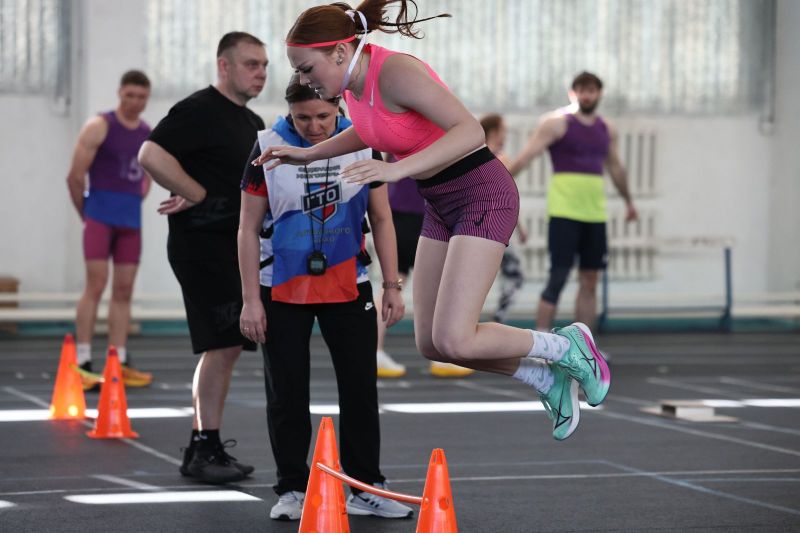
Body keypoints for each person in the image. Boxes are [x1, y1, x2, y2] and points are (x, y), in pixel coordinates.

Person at [251, 1, 611, 442]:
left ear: (341, 52)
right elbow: (372, 130)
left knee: (457, 339)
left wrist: (396, 170)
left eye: (307, 69)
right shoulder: (353, 89)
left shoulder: (394, 72)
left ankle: (567, 346)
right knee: (432, 343)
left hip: (481, 194)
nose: (304, 80)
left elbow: (470, 131)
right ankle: (544, 377)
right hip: (439, 203)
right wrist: (308, 154)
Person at [239, 77, 413, 521]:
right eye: (303, 118)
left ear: (339, 106)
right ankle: (292, 489)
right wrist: (250, 300)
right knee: (287, 392)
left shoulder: (363, 143)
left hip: (348, 282)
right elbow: (246, 229)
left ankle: (366, 487)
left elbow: (382, 218)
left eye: (323, 116)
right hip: (281, 285)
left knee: (360, 388)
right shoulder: (267, 148)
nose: (314, 126)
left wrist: (392, 285)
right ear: (289, 112)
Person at [137, 32, 268, 484]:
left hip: (234, 248)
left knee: (228, 345)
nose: (261, 73)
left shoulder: (251, 121)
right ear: (224, 66)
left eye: (264, 66)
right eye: (251, 64)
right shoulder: (199, 110)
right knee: (223, 343)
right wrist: (193, 191)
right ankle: (202, 446)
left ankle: (204, 444)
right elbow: (150, 153)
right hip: (201, 248)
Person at [507, 71, 638, 333]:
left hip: (595, 214)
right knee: (558, 276)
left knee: (590, 280)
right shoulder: (556, 124)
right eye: (581, 90)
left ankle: (584, 345)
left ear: (599, 94)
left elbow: (615, 167)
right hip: (564, 213)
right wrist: (496, 184)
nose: (587, 95)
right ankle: (541, 342)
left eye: (592, 91)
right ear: (572, 93)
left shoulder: (606, 129)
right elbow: (526, 157)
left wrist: (628, 202)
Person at [65, 70, 155, 391]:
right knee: (96, 285)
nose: (135, 102)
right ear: (119, 93)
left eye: (141, 97)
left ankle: (119, 360)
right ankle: (83, 361)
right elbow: (75, 177)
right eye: (129, 95)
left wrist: (137, 197)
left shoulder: (147, 133)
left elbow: (149, 174)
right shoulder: (99, 126)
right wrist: (87, 214)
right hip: (100, 217)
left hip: (130, 221)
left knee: (124, 290)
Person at [375, 163, 474, 378]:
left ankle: (375, 350)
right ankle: (441, 354)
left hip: (401, 209)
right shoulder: (429, 141)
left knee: (395, 281)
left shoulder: (395, 142)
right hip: (420, 211)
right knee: (432, 285)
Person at [479, 113, 528, 324]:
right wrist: (520, 228)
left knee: (481, 275)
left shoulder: (473, 156)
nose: (505, 136)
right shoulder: (500, 159)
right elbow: (507, 197)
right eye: (503, 132)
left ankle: (473, 317)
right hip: (497, 226)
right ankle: (497, 319)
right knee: (514, 276)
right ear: (494, 132)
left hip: (479, 224)